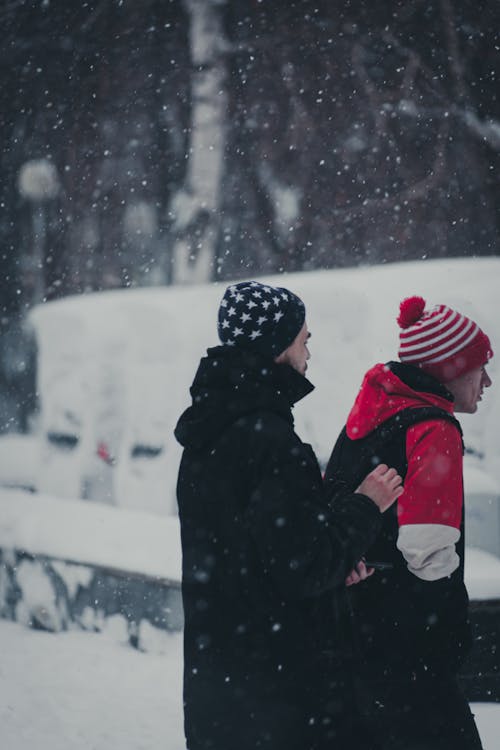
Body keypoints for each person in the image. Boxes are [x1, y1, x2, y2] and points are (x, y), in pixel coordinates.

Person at [174, 280, 403, 750]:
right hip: (280, 696)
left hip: (219, 685)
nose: (308, 351)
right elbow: (303, 567)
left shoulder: (206, 436)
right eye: (304, 338)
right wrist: (366, 503)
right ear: (276, 346)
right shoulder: (274, 443)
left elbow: (259, 559)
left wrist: (335, 564)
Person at [324, 295, 494, 750]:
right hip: (411, 645)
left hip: (357, 630)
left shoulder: (366, 418)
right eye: (480, 369)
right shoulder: (435, 428)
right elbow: (427, 554)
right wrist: (448, 635)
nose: (488, 382)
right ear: (450, 369)